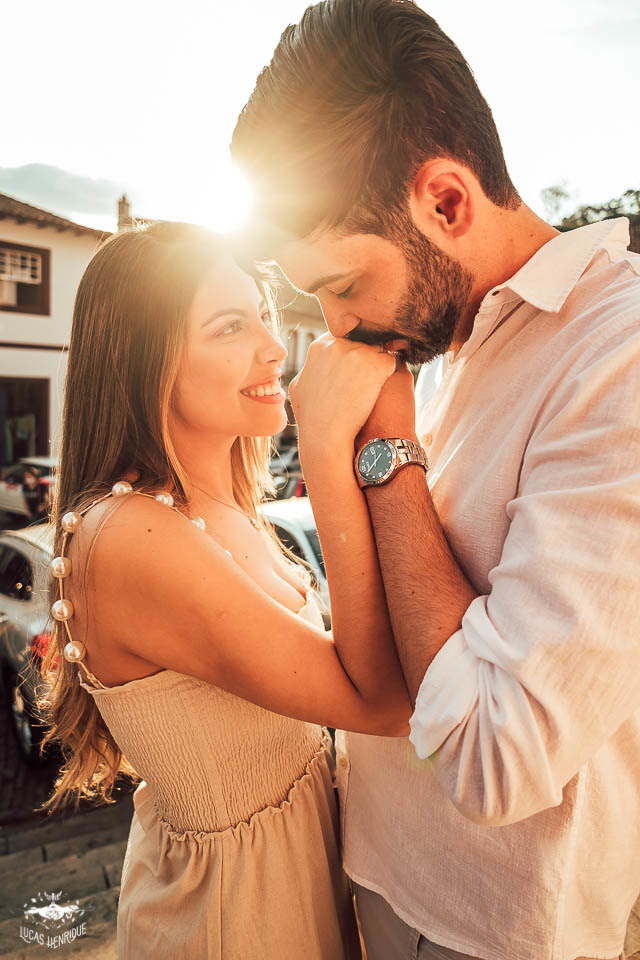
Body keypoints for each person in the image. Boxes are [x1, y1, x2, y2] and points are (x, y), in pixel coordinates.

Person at [230, 2, 640, 959]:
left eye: (340, 285)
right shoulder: (438, 336)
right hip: (376, 874)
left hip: (490, 929)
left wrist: (380, 461)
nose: (335, 329)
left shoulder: (614, 357)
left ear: (446, 200)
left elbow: (497, 759)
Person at [36, 221, 413, 959]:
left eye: (263, 315)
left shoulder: (214, 505)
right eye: (230, 326)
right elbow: (380, 702)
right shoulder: (129, 536)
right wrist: (333, 454)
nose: (274, 347)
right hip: (235, 917)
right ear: (148, 364)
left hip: (296, 878)